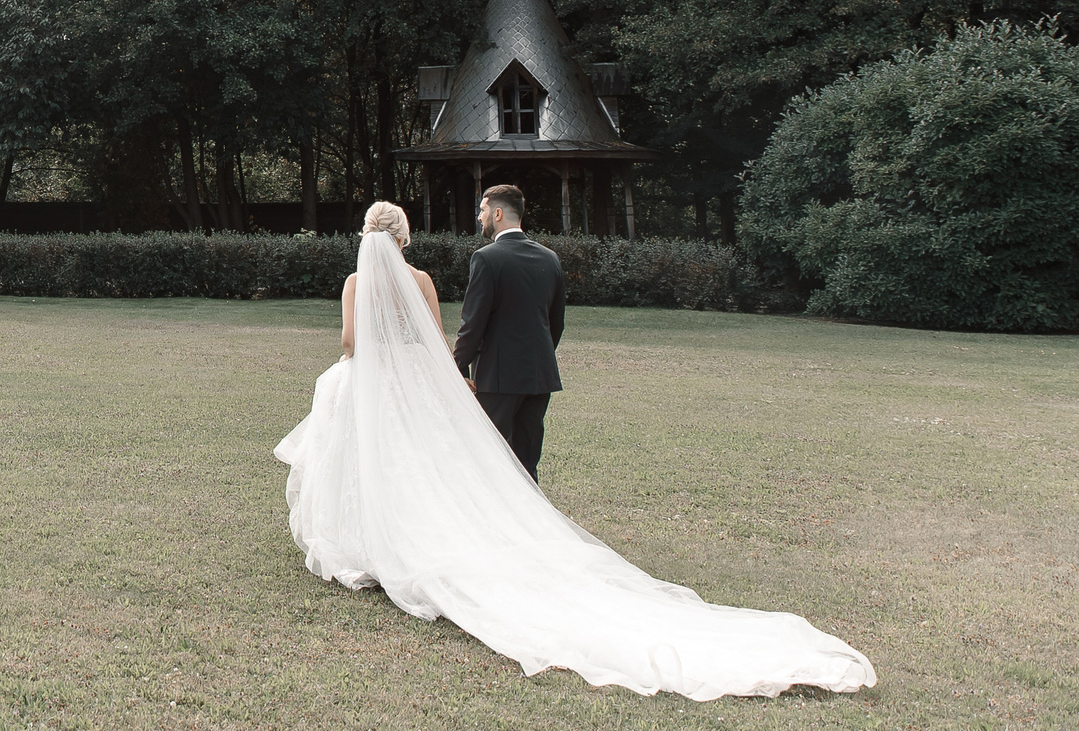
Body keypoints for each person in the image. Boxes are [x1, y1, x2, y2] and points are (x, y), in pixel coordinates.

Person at [272, 200, 876, 699]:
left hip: (368, 385)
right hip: (417, 385)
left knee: (369, 463)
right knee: (430, 467)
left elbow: (352, 340)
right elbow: (432, 335)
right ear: (403, 236)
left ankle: (372, 545)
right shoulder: (424, 280)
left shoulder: (355, 281)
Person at [451, 184, 563, 479]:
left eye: (483, 210)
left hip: (498, 378)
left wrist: (456, 368)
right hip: (539, 377)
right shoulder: (550, 258)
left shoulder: (486, 258)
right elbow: (556, 323)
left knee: (491, 460)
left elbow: (473, 324)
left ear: (497, 213)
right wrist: (535, 358)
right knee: (527, 462)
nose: (479, 217)